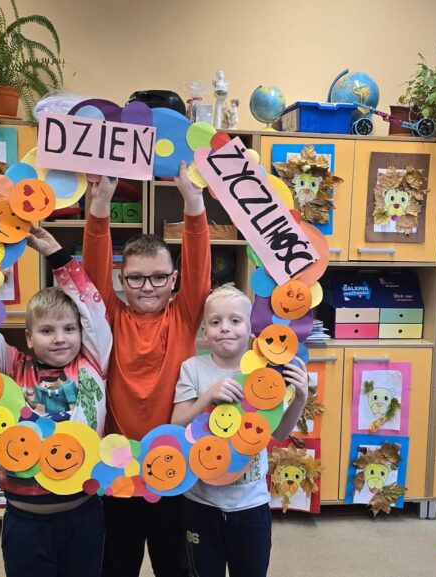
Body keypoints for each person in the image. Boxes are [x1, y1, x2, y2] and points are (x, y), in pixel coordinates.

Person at [0, 216, 111, 577]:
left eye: (69, 329)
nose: (60, 338)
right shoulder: (10, 365)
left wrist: (55, 253)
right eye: (47, 330)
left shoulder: (92, 363)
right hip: (24, 521)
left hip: (82, 514)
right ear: (29, 338)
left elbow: (92, 309)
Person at [82, 164, 210, 577]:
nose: (148, 286)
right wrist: (100, 206)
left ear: (174, 279)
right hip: (118, 465)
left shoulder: (185, 316)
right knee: (117, 563)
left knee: (174, 563)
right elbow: (93, 268)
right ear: (121, 280)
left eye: (158, 277)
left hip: (174, 463)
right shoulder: (108, 315)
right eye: (136, 279)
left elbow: (199, 265)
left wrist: (194, 203)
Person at [172, 285, 310, 577]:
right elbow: (176, 425)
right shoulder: (192, 368)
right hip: (201, 502)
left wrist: (300, 398)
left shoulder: (265, 375)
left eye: (235, 320)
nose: (225, 328)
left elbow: (279, 433)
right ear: (205, 332)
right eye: (215, 322)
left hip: (251, 505)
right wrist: (207, 397)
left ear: (250, 331)